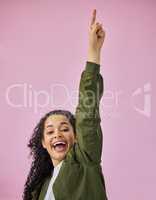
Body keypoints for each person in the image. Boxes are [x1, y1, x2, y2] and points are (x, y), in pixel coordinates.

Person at [23, 9, 108, 200]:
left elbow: (87, 113)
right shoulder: (41, 185)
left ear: (77, 136)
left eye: (64, 128)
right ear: (44, 143)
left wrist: (93, 52)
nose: (58, 134)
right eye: (50, 131)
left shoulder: (85, 160)